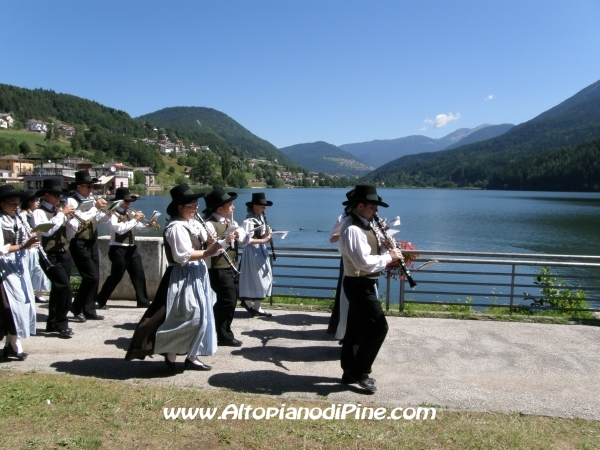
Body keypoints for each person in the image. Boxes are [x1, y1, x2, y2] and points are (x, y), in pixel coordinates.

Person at [125, 183, 222, 371]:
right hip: (182, 275)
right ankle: (170, 353)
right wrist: (207, 253)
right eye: (192, 205)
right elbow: (181, 255)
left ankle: (192, 356)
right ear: (180, 207)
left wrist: (221, 241)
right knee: (186, 317)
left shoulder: (192, 224)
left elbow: (208, 242)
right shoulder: (176, 227)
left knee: (204, 316)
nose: (196, 208)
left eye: (196, 205)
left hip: (198, 274)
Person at [338, 185, 403, 393]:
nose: (376, 211)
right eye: (373, 206)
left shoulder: (366, 225)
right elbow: (363, 263)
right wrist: (389, 257)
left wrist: (385, 246)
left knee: (355, 330)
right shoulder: (352, 230)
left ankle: (349, 372)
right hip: (358, 283)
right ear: (360, 205)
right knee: (378, 328)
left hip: (363, 283)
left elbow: (370, 253)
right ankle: (361, 371)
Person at [203, 187, 252, 347]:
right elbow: (211, 252)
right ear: (220, 208)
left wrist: (240, 235)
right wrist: (225, 241)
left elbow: (245, 241)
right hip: (217, 268)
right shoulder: (209, 225)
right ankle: (223, 334)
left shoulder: (232, 223)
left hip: (232, 267)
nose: (233, 207)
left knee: (231, 299)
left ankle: (220, 329)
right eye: (230, 204)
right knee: (228, 300)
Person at [96, 187, 156, 310]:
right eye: (126, 201)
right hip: (118, 248)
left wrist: (149, 225)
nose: (129, 204)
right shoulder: (111, 213)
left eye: (129, 201)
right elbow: (120, 229)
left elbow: (140, 228)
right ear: (119, 201)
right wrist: (134, 219)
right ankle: (101, 299)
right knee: (116, 276)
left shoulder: (130, 213)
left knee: (138, 274)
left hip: (131, 248)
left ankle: (143, 301)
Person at [31, 179, 76, 338]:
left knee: (59, 289)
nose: (59, 198)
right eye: (56, 195)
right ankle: (61, 324)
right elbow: (46, 231)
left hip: (63, 252)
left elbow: (70, 234)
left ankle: (52, 323)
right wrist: (61, 215)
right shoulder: (39, 212)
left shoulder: (58, 212)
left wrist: (70, 220)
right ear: (46, 195)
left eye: (60, 195)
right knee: (64, 287)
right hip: (48, 254)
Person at [0, 185, 40, 360]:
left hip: (17, 268)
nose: (16, 207)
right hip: (3, 271)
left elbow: (23, 242)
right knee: (8, 308)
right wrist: (24, 246)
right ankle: (13, 344)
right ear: (1, 204)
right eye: (12, 204)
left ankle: (12, 343)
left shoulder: (17, 220)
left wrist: (30, 241)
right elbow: (1, 249)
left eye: (17, 203)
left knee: (23, 304)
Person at [65, 170, 109, 322]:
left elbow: (99, 220)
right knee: (89, 276)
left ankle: (89, 309)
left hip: (92, 241)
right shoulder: (71, 202)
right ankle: (76, 307)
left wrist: (109, 212)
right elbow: (78, 220)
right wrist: (95, 208)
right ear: (78, 187)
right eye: (88, 187)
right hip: (79, 241)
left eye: (92, 187)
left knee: (95, 277)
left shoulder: (91, 200)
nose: (91, 190)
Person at [238, 193, 274, 317]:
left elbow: (261, 236)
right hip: (252, 252)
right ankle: (247, 302)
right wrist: (264, 240)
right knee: (253, 278)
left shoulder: (260, 218)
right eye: (262, 206)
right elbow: (245, 241)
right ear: (254, 206)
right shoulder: (248, 221)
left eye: (265, 206)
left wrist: (267, 235)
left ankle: (258, 306)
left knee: (264, 278)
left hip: (260, 251)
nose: (264, 209)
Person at [327, 189, 354, 340]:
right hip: (346, 259)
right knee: (344, 292)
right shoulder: (342, 218)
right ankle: (340, 327)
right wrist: (344, 232)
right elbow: (332, 239)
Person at [20, 190, 51, 304]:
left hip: (35, 247)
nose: (38, 202)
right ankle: (30, 293)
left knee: (38, 270)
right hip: (27, 248)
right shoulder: (23, 215)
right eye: (35, 200)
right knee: (29, 271)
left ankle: (38, 293)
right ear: (29, 202)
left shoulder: (32, 214)